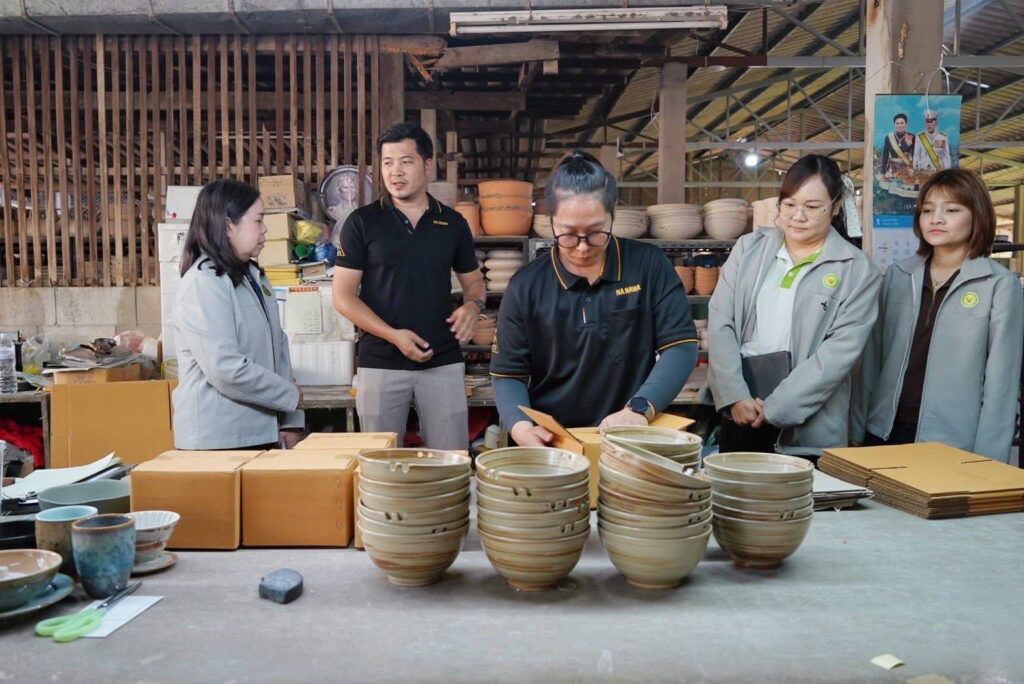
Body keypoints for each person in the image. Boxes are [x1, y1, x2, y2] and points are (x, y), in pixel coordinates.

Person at [490, 151, 698, 446]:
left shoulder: (648, 266)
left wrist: (640, 409)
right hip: (553, 441)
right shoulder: (525, 287)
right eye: (568, 234)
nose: (583, 247)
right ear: (550, 222)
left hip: (627, 435)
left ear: (613, 214)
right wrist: (521, 428)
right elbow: (508, 374)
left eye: (596, 232)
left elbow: (681, 346)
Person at [706, 154, 881, 456]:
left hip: (810, 423)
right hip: (741, 410)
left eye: (812, 207)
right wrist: (734, 395)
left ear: (836, 205)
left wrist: (775, 409)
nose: (798, 216)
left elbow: (838, 354)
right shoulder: (749, 249)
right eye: (789, 204)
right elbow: (721, 320)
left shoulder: (857, 270)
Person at [853, 169, 1023, 462]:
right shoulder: (898, 276)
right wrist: (856, 433)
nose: (936, 219)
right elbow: (871, 362)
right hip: (883, 432)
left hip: (953, 442)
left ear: (978, 215)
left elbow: (1001, 385)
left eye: (952, 210)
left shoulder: (999, 285)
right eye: (928, 210)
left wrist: (987, 462)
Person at [332, 122, 485, 450]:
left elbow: (474, 282)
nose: (395, 171)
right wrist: (393, 336)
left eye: (405, 161)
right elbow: (343, 297)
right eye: (387, 162)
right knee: (380, 465)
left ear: (427, 166)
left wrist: (473, 306)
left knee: (451, 462)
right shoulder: (362, 222)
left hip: (442, 360)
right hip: (380, 361)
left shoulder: (452, 223)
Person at [173, 179, 304, 450]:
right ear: (228, 226)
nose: (265, 229)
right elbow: (225, 369)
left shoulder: (253, 277)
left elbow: (279, 349)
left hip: (259, 433)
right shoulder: (204, 283)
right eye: (258, 220)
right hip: (217, 441)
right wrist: (290, 396)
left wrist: (290, 421)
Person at [881, 112, 916, 179]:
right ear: (894, 124)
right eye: (897, 123)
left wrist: (914, 169)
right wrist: (883, 172)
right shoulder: (889, 137)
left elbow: (915, 155)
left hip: (907, 169)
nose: (899, 125)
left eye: (902, 123)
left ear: (906, 124)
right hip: (893, 169)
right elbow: (885, 156)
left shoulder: (912, 137)